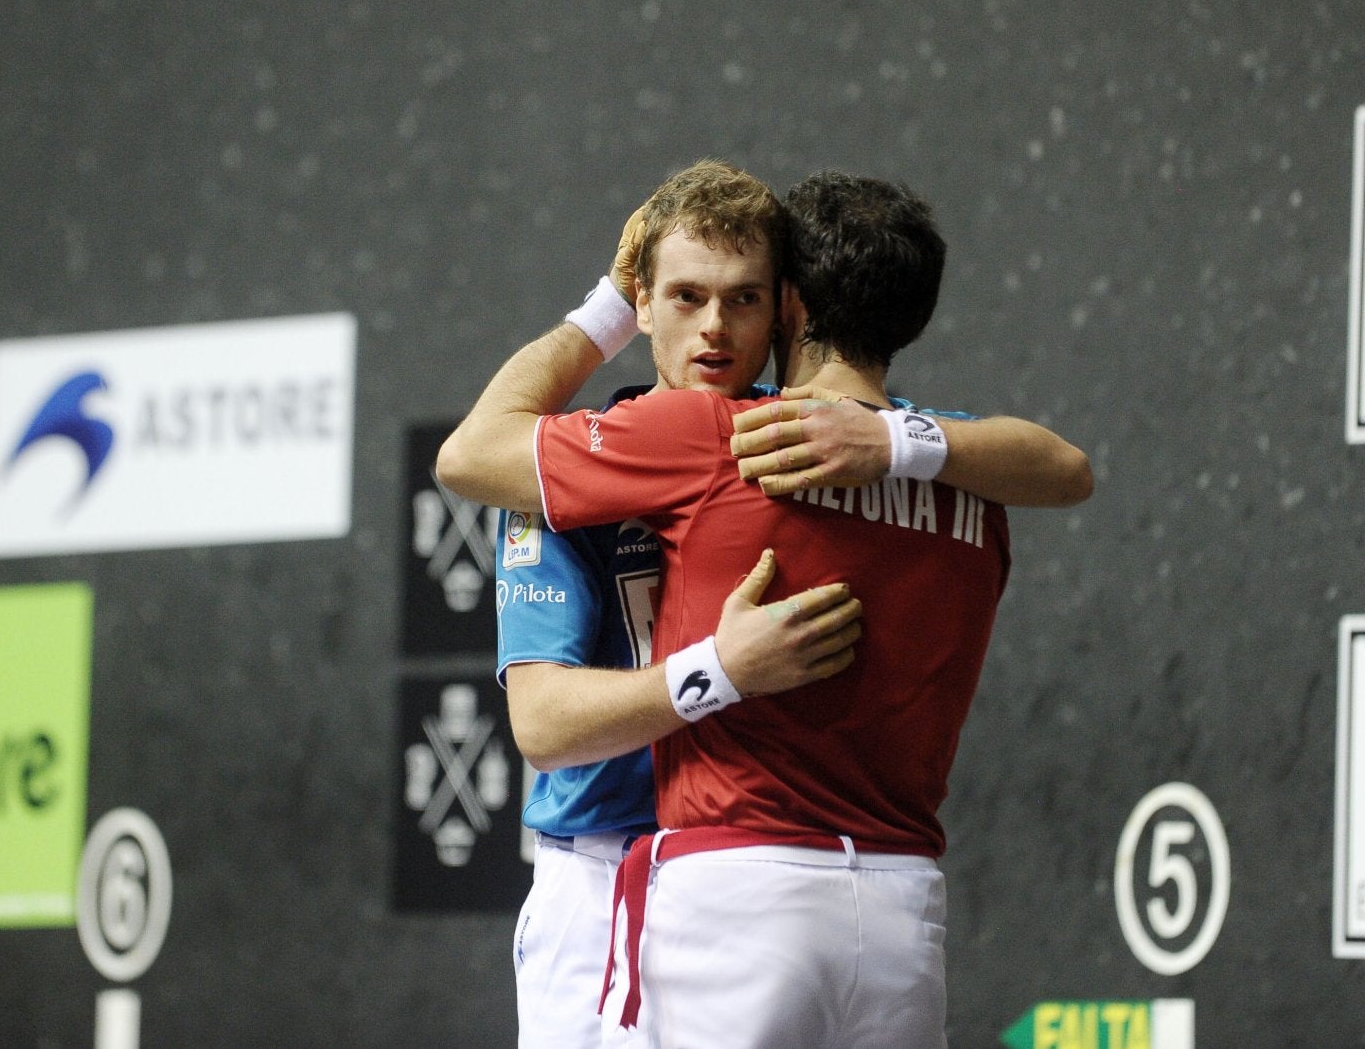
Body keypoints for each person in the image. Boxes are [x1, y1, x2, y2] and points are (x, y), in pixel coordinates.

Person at [440, 162, 1092, 1046]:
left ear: (785, 304)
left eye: (743, 299)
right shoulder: (570, 470)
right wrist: (718, 671)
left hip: (736, 869)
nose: (714, 326)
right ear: (643, 302)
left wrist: (894, 436)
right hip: (602, 879)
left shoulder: (831, 437)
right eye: (683, 297)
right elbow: (544, 725)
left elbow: (1060, 467)